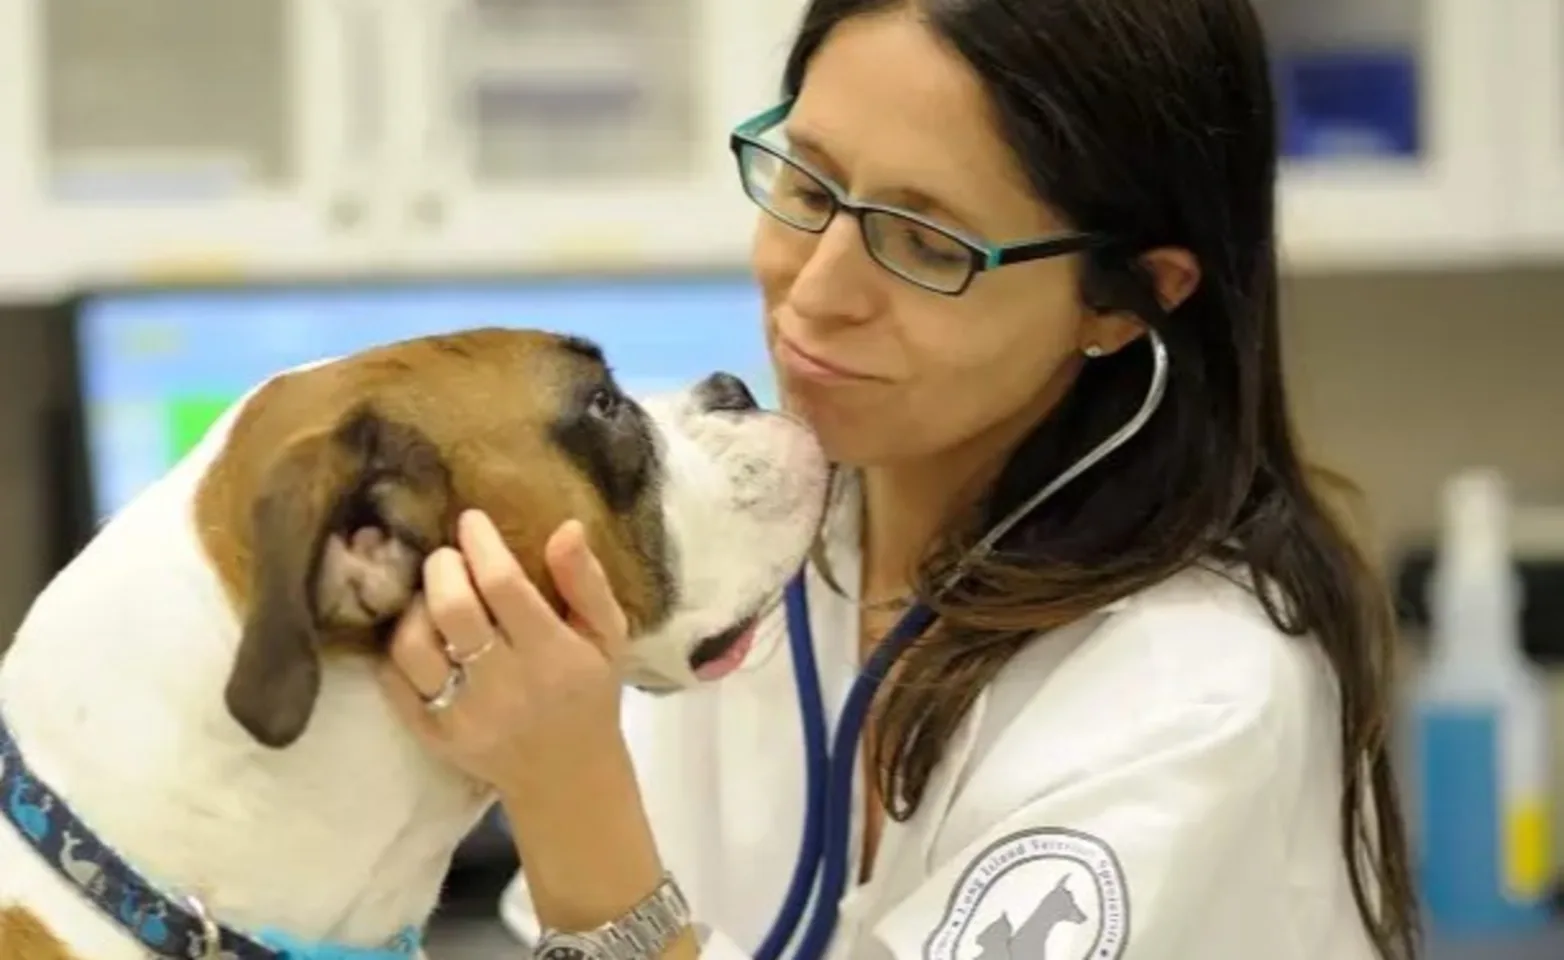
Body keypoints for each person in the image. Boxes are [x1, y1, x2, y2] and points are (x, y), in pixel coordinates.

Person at [377, 1, 1421, 958]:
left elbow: (597, 886)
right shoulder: (764, 553)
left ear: (1125, 299)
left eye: (925, 242)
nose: (816, 290)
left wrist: (571, 795)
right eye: (809, 183)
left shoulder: (1196, 696)